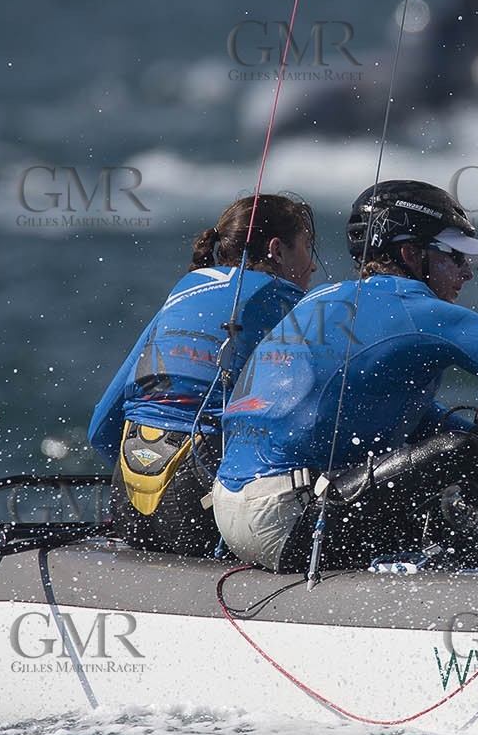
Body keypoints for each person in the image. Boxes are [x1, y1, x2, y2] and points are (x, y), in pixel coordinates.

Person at [212, 179, 478, 572]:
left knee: (461, 453)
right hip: (284, 521)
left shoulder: (321, 298)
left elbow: (364, 407)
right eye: (455, 257)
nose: (466, 272)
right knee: (461, 453)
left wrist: (475, 435)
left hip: (230, 510)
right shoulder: (425, 314)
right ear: (410, 255)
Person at [89, 193, 319, 556]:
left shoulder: (184, 291)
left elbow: (101, 428)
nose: (313, 267)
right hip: (199, 509)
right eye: (307, 248)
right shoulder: (289, 301)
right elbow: (320, 414)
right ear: (277, 249)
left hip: (127, 504)